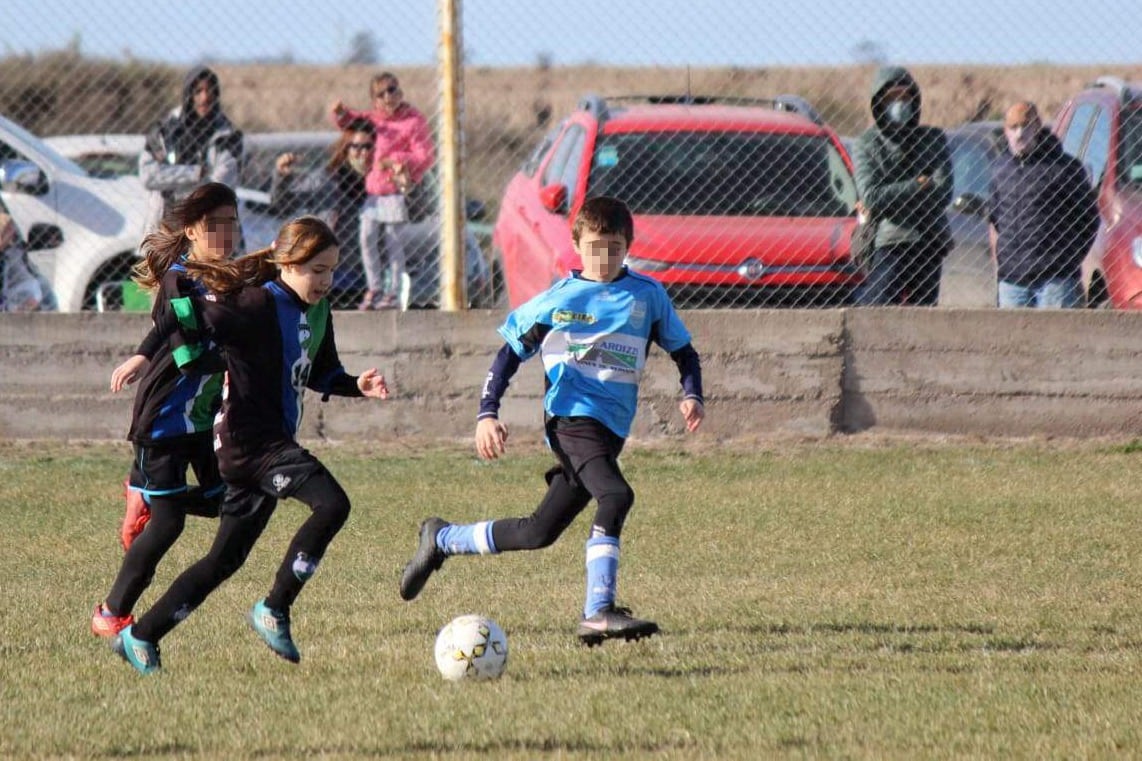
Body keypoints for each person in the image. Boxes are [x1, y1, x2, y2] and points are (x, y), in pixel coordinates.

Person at [398, 196, 704, 646]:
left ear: (628, 246)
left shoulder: (647, 295)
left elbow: (685, 352)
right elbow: (508, 355)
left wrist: (692, 393)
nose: (604, 258)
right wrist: (487, 413)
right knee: (616, 495)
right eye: (595, 248)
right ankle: (597, 611)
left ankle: (442, 539)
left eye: (614, 248)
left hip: (610, 429)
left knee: (539, 531)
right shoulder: (559, 299)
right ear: (576, 245)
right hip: (570, 419)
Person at [112, 216, 391, 674]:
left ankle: (141, 636)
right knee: (332, 504)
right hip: (250, 443)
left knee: (224, 560)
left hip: (268, 444)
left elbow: (321, 372)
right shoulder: (255, 304)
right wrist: (150, 352)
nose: (326, 281)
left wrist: (356, 385)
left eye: (331, 270)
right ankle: (274, 607)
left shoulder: (318, 310)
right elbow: (187, 313)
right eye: (316, 270)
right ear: (287, 264)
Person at [91, 182, 240, 639]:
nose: (227, 234)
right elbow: (186, 354)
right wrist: (244, 360)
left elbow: (162, 328)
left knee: (220, 499)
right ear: (192, 230)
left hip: (201, 418)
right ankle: (111, 612)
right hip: (164, 421)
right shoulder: (180, 281)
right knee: (168, 524)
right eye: (216, 225)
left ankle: (145, 494)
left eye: (233, 224)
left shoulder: (224, 274)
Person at [330, 72, 434, 310]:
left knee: (393, 243)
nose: (388, 96)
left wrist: (396, 160)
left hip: (395, 190)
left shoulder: (413, 120)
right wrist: (340, 113)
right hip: (375, 193)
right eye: (381, 93)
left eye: (392, 89)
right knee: (366, 238)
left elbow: (425, 156)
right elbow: (351, 122)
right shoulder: (374, 120)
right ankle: (374, 288)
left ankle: (393, 293)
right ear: (374, 100)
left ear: (400, 92)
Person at [852, 66, 953, 306]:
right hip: (889, 242)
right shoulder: (867, 143)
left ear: (914, 100)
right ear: (879, 103)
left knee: (924, 314)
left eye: (905, 97)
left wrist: (890, 196)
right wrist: (917, 185)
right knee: (879, 311)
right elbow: (871, 196)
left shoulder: (932, 139)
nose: (899, 104)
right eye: (891, 99)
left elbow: (943, 192)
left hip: (929, 239)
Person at [989, 101, 1099, 308]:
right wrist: (1003, 263)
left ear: (1037, 127)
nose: (1020, 134)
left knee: (1057, 330)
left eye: (1026, 126)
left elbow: (1089, 218)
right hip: (1012, 281)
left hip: (1055, 282)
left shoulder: (1065, 168)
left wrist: (1068, 260)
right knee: (1012, 331)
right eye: (1013, 127)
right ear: (1005, 131)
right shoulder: (1000, 170)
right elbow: (995, 221)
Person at [270, 118, 374, 308]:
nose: (363, 153)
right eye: (357, 147)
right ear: (345, 149)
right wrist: (282, 177)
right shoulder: (325, 179)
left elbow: (417, 213)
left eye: (369, 147)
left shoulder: (383, 183)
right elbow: (282, 204)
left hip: (370, 275)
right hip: (331, 272)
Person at [140, 66, 244, 237]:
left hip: (210, 232)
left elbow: (219, 187)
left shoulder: (228, 136)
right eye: (198, 91)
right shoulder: (164, 132)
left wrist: (170, 178)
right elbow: (148, 175)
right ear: (188, 94)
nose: (205, 97)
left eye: (210, 91)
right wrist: (194, 173)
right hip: (165, 230)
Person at [0, 212, 55, 312]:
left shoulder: (13, 249)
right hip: (14, 291)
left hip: (19, 289)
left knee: (40, 287)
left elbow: (8, 226)